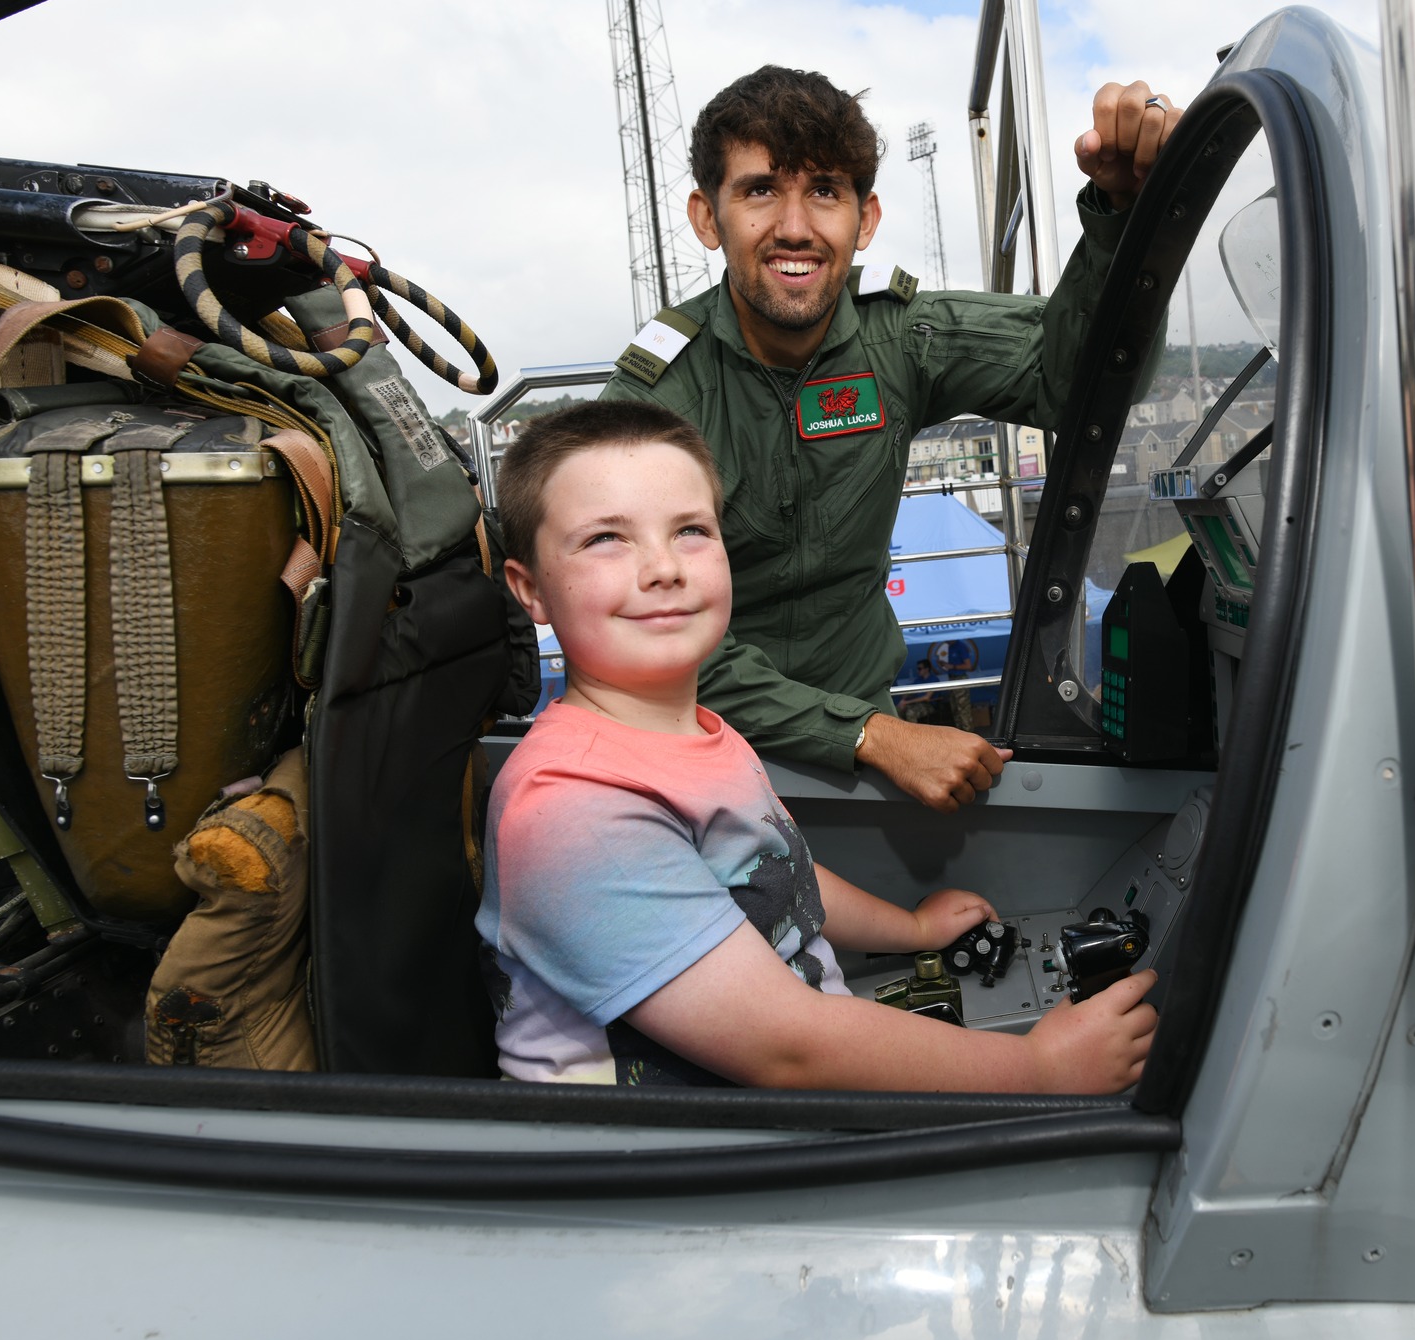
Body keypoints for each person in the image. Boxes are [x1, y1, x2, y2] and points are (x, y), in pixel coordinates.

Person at [481, 399, 1157, 1090]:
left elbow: (776, 873)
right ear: (529, 589)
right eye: (605, 539)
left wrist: (911, 928)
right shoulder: (570, 808)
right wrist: (1038, 1068)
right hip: (670, 1176)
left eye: (690, 529)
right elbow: (785, 1046)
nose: (663, 568)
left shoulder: (702, 733)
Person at [600, 66, 1180, 813]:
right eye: (759, 190)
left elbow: (1078, 382)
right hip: (691, 761)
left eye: (825, 190)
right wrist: (870, 735)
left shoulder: (901, 335)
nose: (796, 227)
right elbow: (645, 639)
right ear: (707, 218)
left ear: (864, 218)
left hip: (858, 765)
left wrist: (1124, 212)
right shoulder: (656, 395)